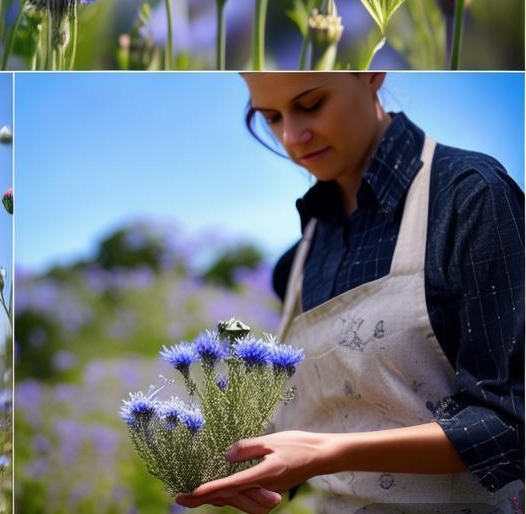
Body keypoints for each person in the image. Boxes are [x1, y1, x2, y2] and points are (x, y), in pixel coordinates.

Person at [177, 72, 524, 514]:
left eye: (312, 104)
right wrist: (231, 467)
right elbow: (308, 428)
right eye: (270, 117)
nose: (292, 136)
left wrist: (327, 453)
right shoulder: (299, 261)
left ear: (371, 73)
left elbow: (510, 423)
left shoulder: (470, 199)